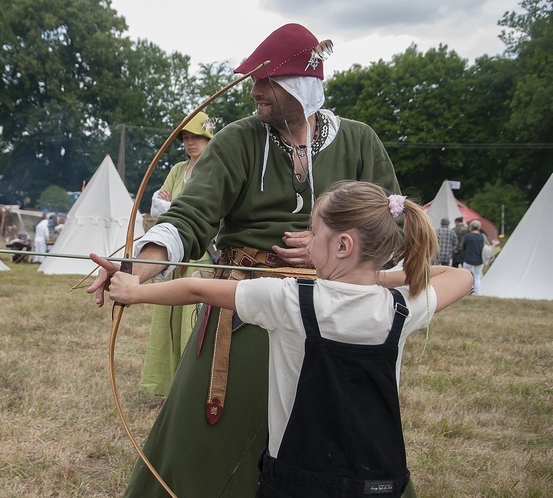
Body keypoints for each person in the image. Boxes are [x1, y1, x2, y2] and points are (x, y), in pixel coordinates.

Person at [88, 23, 402, 497]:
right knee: (202, 446)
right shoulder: (238, 140)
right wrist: (136, 269)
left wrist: (334, 251)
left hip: (335, 310)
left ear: (299, 87)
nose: (255, 90)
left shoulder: (359, 143)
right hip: (244, 308)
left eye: (266, 82)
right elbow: (189, 219)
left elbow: (390, 225)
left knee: (345, 444)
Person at [96, 181, 472, 497]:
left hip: (295, 479)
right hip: (377, 479)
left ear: (342, 246)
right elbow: (460, 278)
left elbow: (198, 288)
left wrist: (134, 290)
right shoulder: (399, 310)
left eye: (315, 234)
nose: (309, 245)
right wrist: (382, 277)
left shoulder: (288, 299)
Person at [141, 111, 216, 398]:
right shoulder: (176, 169)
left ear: (208, 138)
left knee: (193, 323)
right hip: (173, 253)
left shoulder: (215, 169)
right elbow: (157, 205)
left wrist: (176, 206)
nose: (190, 143)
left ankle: (192, 391)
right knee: (167, 320)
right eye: (185, 137)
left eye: (196, 136)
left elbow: (209, 214)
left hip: (201, 256)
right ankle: (169, 387)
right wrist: (177, 208)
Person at [462, 220, 486, 294]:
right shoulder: (482, 237)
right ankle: (477, 293)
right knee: (477, 276)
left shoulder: (467, 236)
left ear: (471, 227)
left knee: (466, 276)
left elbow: (464, 247)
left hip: (468, 258)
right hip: (479, 259)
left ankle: (465, 291)